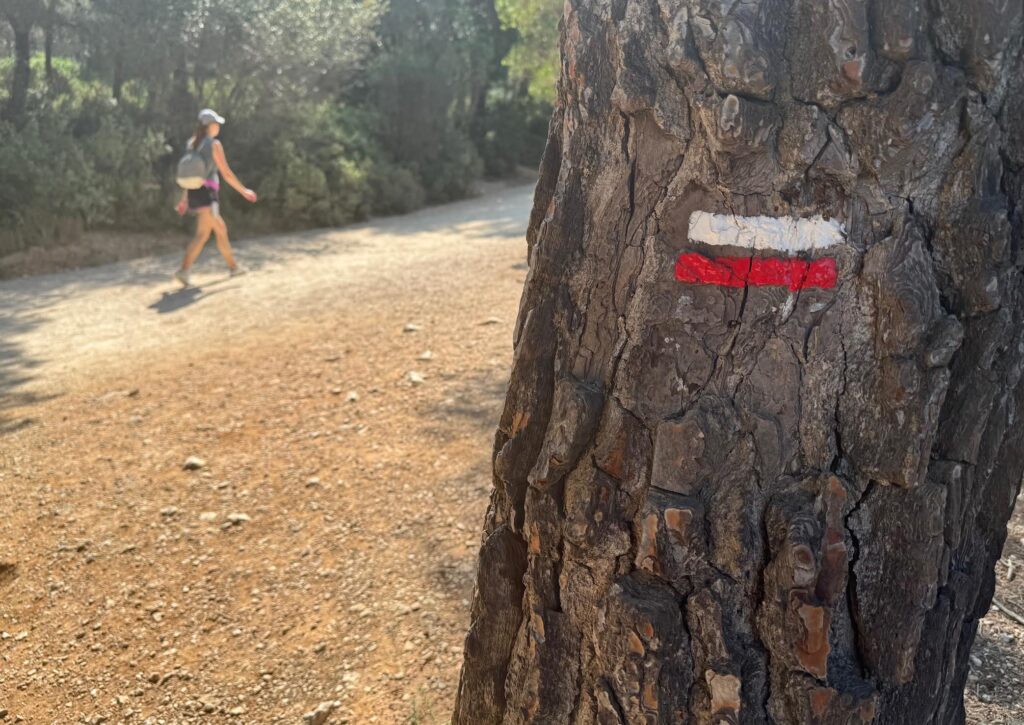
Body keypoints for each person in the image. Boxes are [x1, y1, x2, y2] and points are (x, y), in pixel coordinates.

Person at [173, 109, 258, 287]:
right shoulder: (214, 144)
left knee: (219, 229)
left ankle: (233, 267)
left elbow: (191, 174)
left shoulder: (192, 143)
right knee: (203, 234)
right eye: (216, 123)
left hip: (196, 192)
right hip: (208, 195)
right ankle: (184, 270)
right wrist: (244, 191)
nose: (218, 126)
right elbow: (226, 173)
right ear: (209, 125)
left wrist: (184, 199)